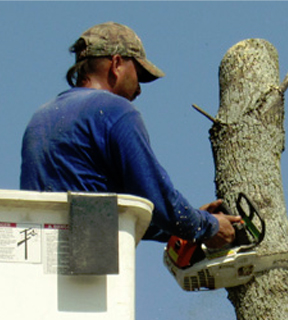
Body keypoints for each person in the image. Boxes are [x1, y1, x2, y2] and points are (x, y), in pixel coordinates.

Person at [19, 21, 239, 247]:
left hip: (37, 263)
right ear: (116, 64)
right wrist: (208, 227)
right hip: (90, 268)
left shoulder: (41, 119)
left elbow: (94, 213)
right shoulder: (115, 110)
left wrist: (188, 220)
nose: (139, 89)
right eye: (138, 75)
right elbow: (156, 197)